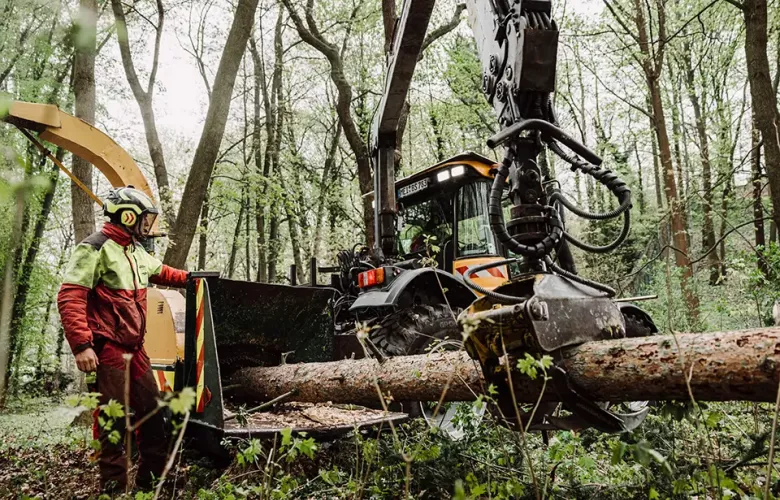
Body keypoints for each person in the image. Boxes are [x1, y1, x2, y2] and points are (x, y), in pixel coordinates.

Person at [57, 186, 188, 493]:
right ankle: (113, 490)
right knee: (112, 421)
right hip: (108, 348)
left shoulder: (134, 250)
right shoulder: (94, 248)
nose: (147, 225)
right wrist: (82, 345)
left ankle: (150, 483)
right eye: (143, 219)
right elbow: (70, 296)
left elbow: (162, 272)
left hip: (136, 349)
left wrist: (192, 277)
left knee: (154, 414)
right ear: (127, 215)